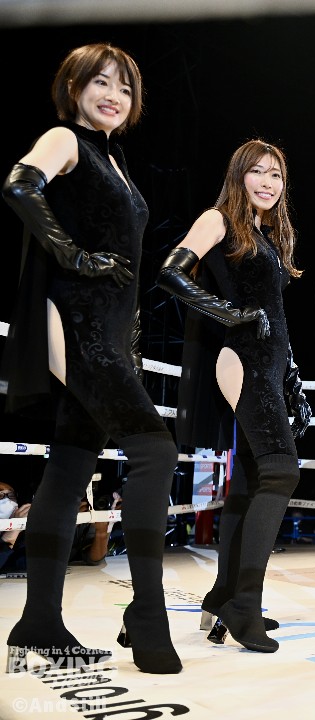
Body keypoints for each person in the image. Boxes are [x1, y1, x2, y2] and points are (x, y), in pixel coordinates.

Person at [1, 43, 181, 674]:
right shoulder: (65, 139)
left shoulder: (115, 158)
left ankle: (39, 622)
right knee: (156, 451)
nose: (114, 96)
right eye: (101, 82)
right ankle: (147, 613)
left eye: (125, 89)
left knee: (69, 466)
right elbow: (19, 184)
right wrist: (72, 254)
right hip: (77, 324)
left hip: (111, 332)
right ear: (73, 86)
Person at [157, 139, 311, 653]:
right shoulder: (218, 219)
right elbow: (170, 272)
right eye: (258, 172)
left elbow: (273, 310)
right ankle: (244, 604)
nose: (268, 182)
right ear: (238, 175)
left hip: (270, 363)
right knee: (282, 472)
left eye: (276, 174)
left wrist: (291, 373)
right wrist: (231, 314)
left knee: (250, 482)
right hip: (243, 358)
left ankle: (224, 596)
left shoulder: (264, 234)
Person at [0, 483, 30, 574]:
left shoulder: (22, 536)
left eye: (11, 496)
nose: (8, 501)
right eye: (0, 496)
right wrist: (16, 526)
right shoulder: (17, 530)